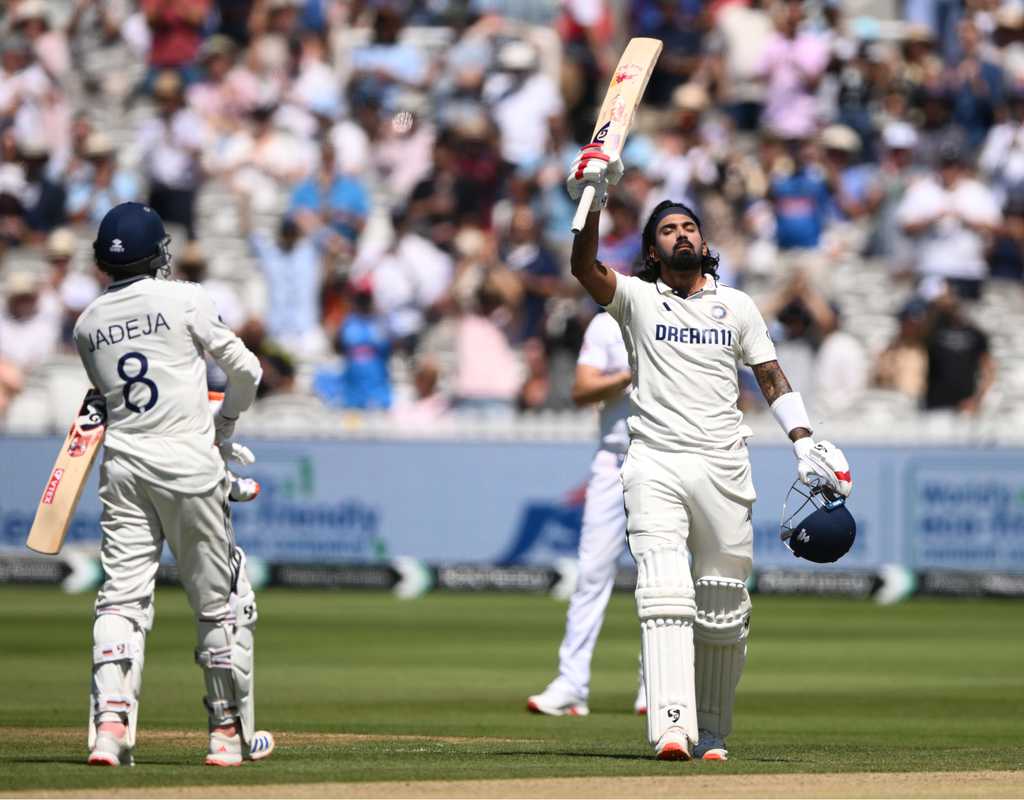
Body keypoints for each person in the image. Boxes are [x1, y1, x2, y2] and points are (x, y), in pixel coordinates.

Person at [564, 146, 853, 761]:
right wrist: (594, 196)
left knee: (723, 603)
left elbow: (771, 375)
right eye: (668, 230)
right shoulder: (637, 301)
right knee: (665, 588)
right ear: (652, 251)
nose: (682, 234)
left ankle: (714, 733)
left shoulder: (738, 306)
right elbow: (583, 266)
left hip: (724, 465)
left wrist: (804, 442)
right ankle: (672, 725)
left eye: (689, 226)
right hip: (656, 460)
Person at [72, 203, 273, 767]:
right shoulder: (187, 298)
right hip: (189, 465)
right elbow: (249, 372)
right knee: (215, 606)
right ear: (160, 253)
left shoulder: (86, 324)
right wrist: (225, 426)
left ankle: (110, 729)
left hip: (125, 469)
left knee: (121, 597)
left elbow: (110, 398)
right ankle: (225, 734)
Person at [527, 310, 646, 717]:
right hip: (612, 460)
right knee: (592, 571)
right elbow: (581, 390)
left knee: (662, 576)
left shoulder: (679, 318)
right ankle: (571, 684)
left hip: (663, 461)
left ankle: (659, 684)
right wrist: (630, 374)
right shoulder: (607, 323)